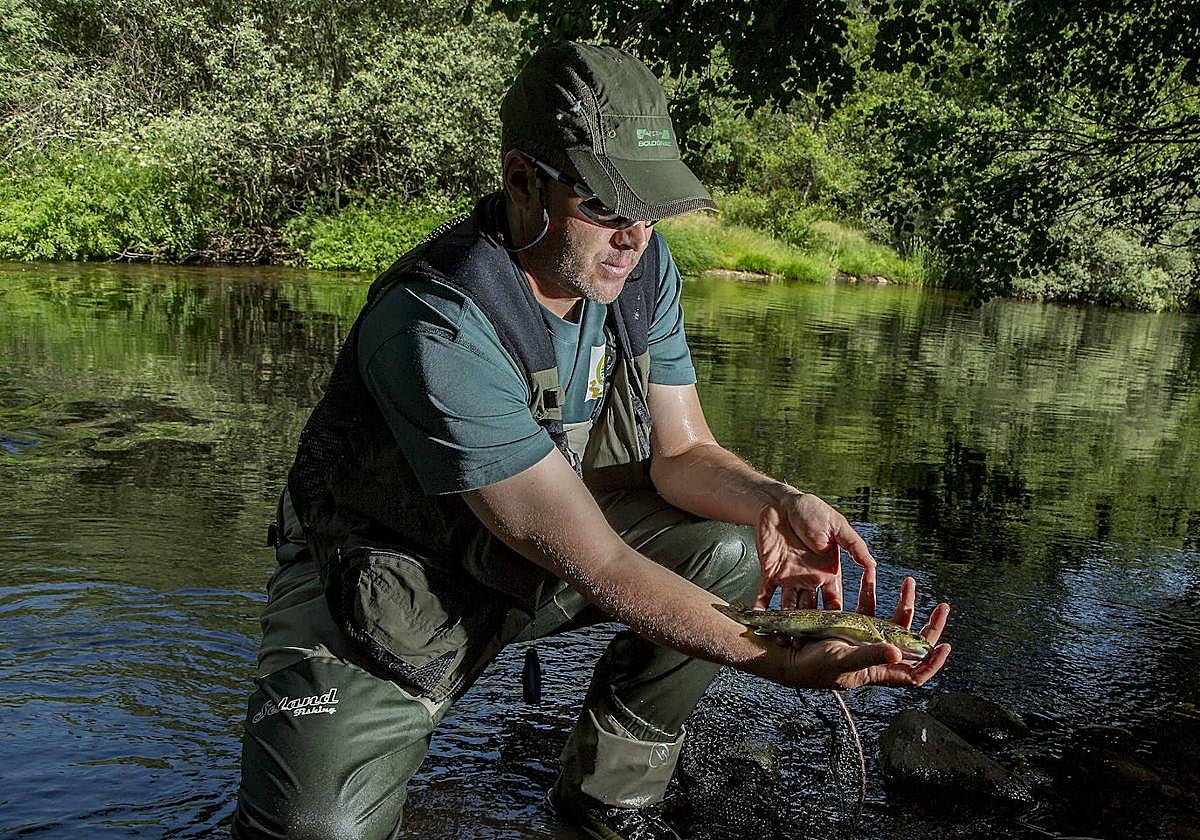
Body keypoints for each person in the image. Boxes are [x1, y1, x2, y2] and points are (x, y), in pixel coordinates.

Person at [231, 40, 951, 840]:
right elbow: (599, 563)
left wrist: (777, 500)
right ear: (521, 181)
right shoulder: (433, 324)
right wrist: (774, 659)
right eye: (606, 205)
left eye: (649, 208)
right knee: (311, 831)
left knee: (730, 546)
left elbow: (683, 456)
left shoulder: (639, 271)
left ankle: (608, 800)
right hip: (387, 584)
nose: (634, 236)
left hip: (547, 548)